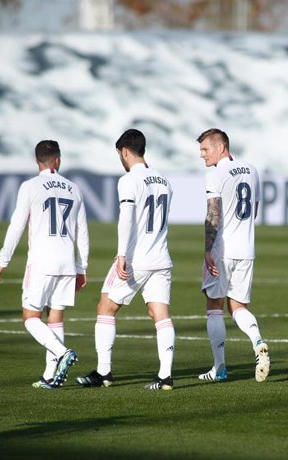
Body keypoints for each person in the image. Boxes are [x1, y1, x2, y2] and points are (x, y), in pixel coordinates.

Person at [75, 128, 176, 391]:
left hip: (136, 259)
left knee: (105, 306)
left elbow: (127, 219)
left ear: (125, 151)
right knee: (160, 313)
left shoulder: (129, 180)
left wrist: (122, 255)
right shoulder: (164, 180)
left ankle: (104, 372)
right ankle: (165, 376)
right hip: (161, 257)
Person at [0, 140, 89, 389]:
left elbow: (17, 225)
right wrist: (82, 267)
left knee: (30, 317)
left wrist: (3, 260)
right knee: (55, 317)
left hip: (42, 262)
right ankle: (49, 376)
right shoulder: (73, 188)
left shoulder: (30, 186)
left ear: (37, 161)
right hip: (67, 261)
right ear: (57, 160)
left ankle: (61, 352)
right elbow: (83, 231)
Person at [197, 128, 270, 383]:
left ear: (221, 147)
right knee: (238, 306)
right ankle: (257, 341)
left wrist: (208, 249)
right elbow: (255, 210)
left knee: (214, 306)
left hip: (222, 250)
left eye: (205, 149)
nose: (203, 155)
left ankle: (219, 368)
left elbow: (212, 214)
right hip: (247, 250)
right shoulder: (252, 170)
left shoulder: (215, 174)